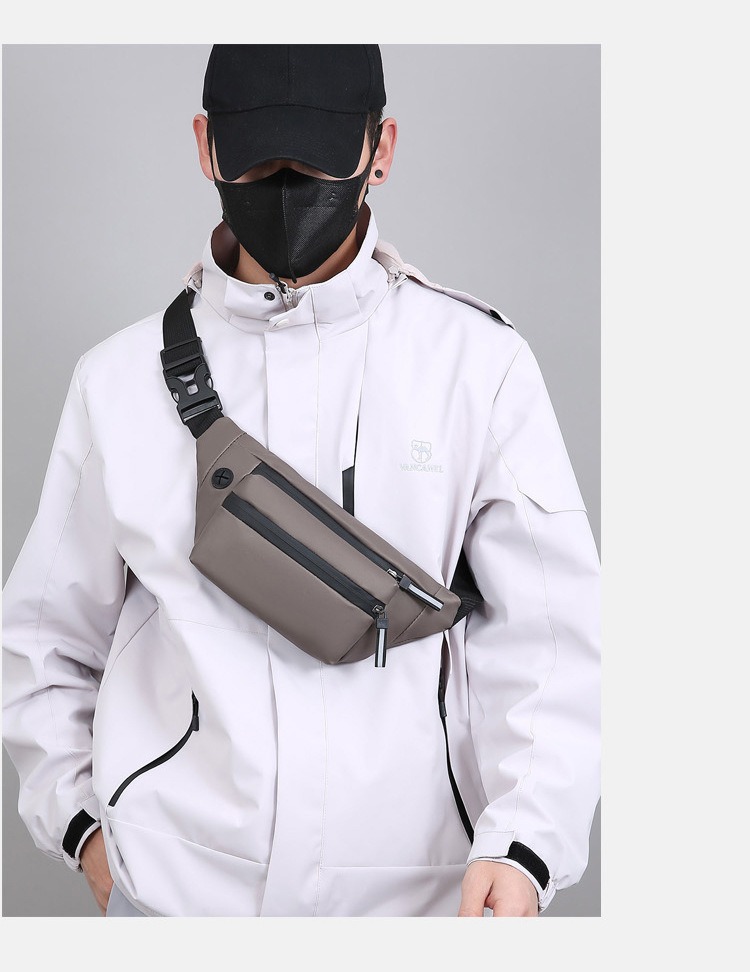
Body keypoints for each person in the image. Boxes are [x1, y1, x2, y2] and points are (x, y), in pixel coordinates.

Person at [2, 44, 600, 918]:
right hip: (173, 899)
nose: (285, 185)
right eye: (257, 158)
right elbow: (43, 638)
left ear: (380, 149)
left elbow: (553, 641)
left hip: (424, 904)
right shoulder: (117, 382)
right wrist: (85, 831)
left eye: (315, 158)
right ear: (206, 147)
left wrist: (525, 846)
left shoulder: (478, 365)